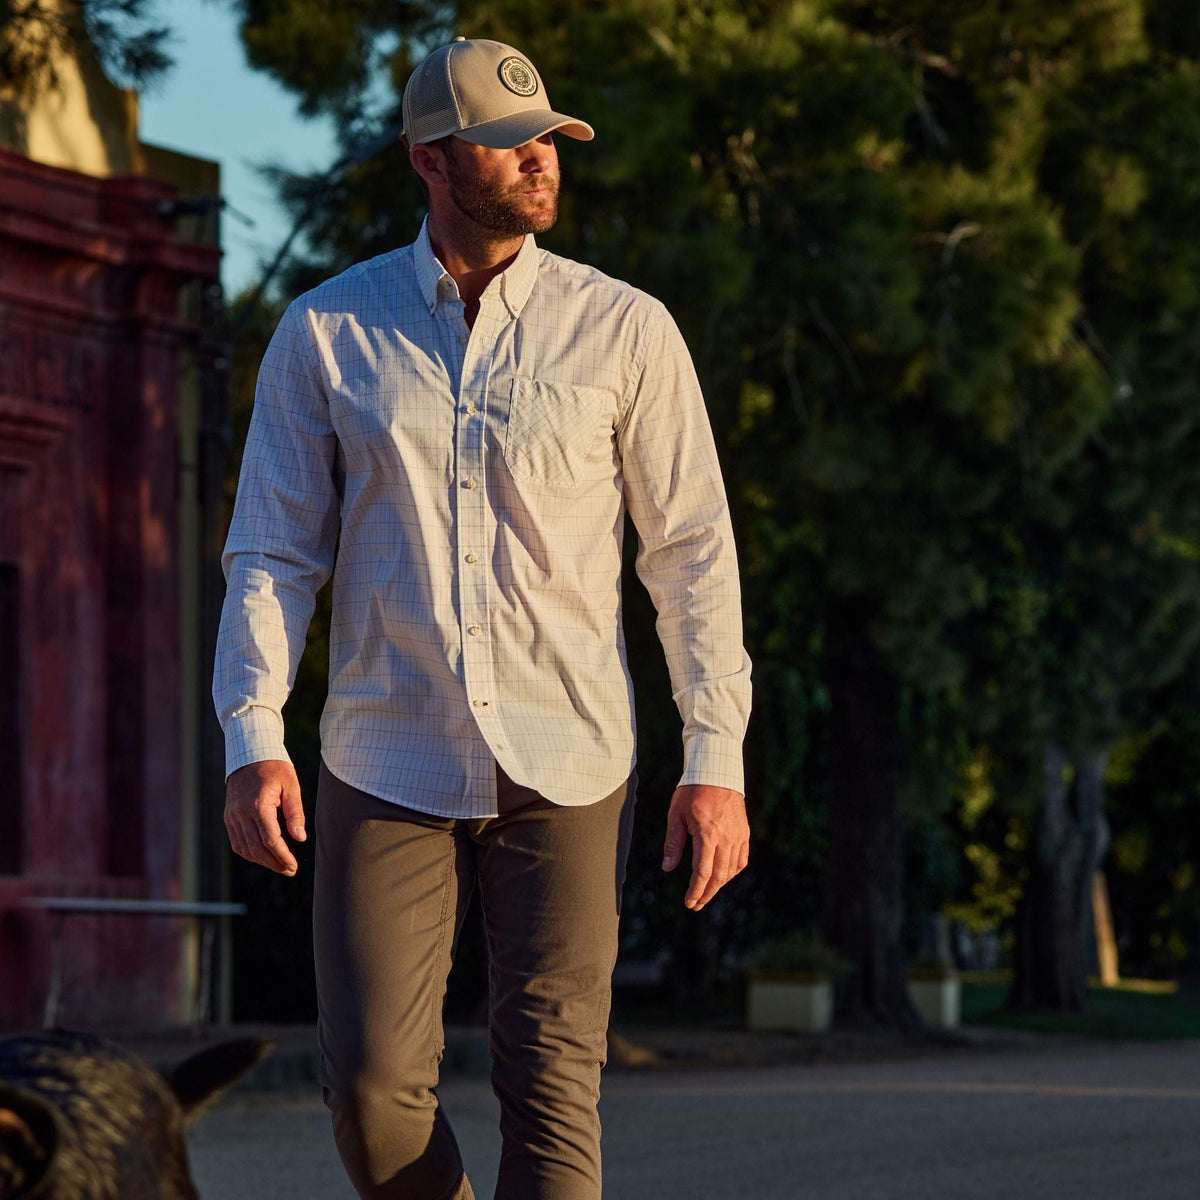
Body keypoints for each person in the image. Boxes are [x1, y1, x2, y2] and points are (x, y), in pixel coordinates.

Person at [214, 35, 752, 1200]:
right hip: (384, 751)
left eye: (547, 140)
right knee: (369, 1099)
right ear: (431, 159)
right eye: (507, 145)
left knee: (554, 1096)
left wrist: (716, 757)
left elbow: (693, 555)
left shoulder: (626, 332)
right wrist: (253, 732)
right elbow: (271, 550)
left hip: (570, 760)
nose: (539, 163)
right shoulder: (326, 332)